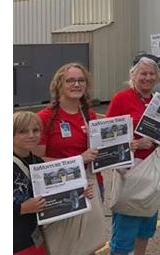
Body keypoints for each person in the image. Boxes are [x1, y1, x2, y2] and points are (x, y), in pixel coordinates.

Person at [104, 57, 160, 255]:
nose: (148, 78)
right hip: (131, 171)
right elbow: (105, 138)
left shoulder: (159, 102)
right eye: (143, 73)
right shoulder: (121, 98)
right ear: (133, 76)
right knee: (125, 228)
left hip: (155, 169)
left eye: (151, 74)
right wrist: (134, 144)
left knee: (146, 226)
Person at [34, 63, 107, 255]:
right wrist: (77, 160)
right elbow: (36, 160)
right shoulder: (45, 118)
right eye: (70, 80)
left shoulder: (89, 115)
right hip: (59, 190)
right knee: (62, 247)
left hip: (91, 186)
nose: (77, 84)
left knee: (88, 245)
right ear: (59, 85)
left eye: (81, 80)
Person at [14, 111, 49, 255]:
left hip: (35, 237)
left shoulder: (38, 162)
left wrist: (80, 192)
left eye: (35, 130)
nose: (31, 135)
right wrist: (21, 209)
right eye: (23, 131)